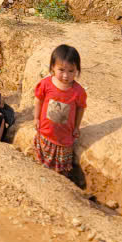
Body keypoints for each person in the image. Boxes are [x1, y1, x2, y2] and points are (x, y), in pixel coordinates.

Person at [33, 44, 87, 179]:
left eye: (71, 71)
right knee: (42, 163)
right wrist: (36, 118)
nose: (65, 75)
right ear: (52, 67)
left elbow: (81, 108)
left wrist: (76, 127)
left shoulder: (78, 91)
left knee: (60, 172)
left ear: (77, 71)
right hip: (46, 133)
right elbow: (39, 100)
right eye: (61, 70)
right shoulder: (46, 84)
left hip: (64, 139)